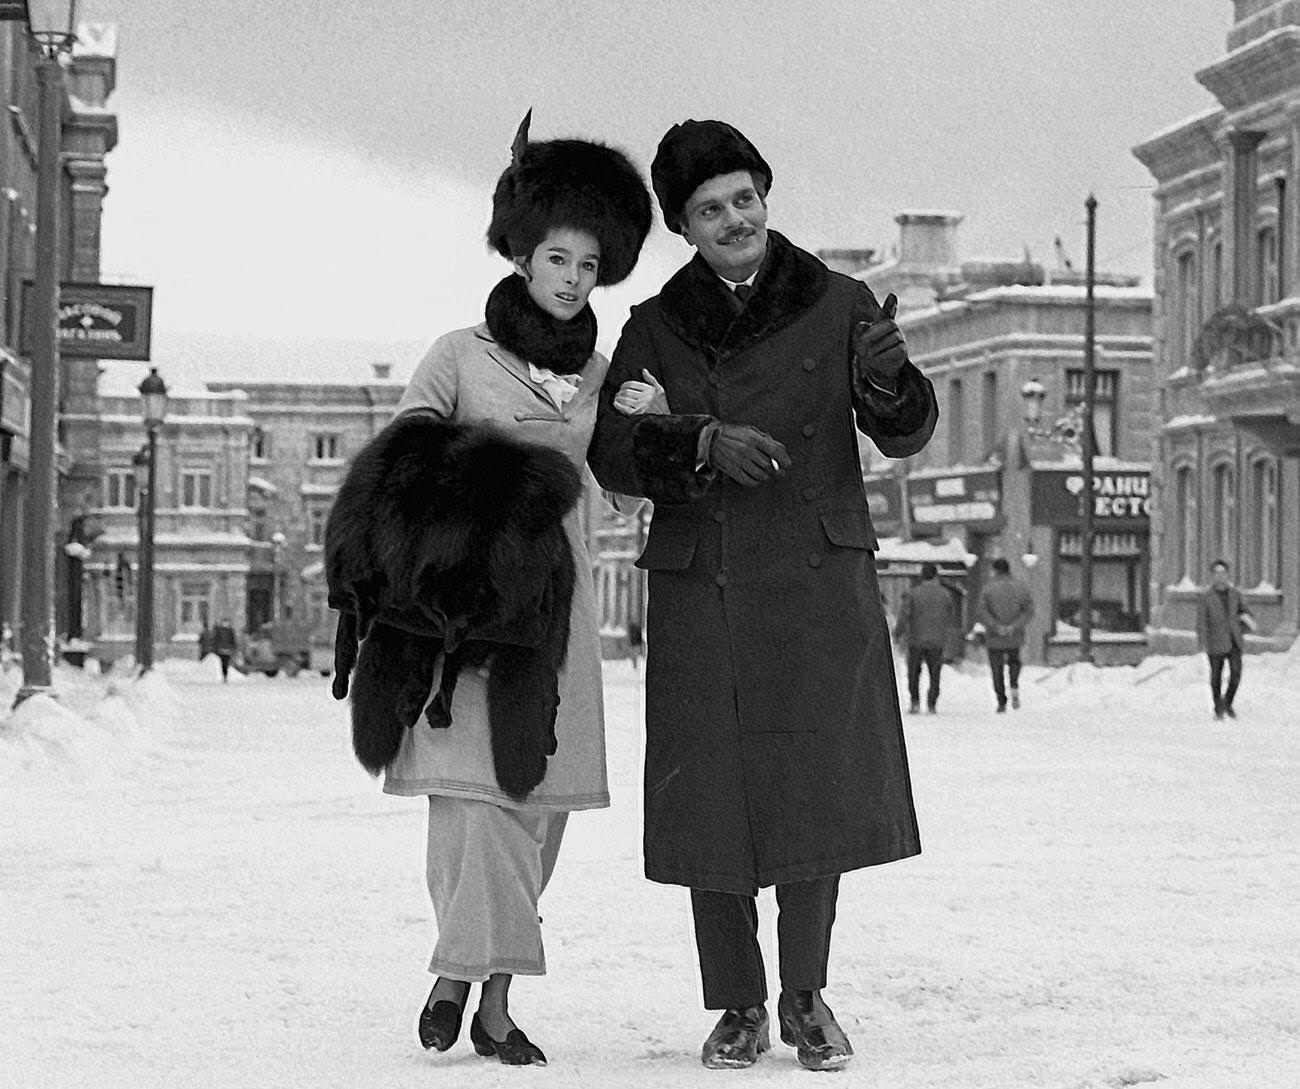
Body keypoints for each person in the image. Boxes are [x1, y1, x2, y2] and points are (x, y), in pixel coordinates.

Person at [588, 119, 937, 1072]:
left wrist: (892, 380)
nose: (734, 219)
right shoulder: (656, 327)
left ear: (765, 196)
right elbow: (612, 447)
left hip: (816, 583)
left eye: (745, 198)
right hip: (706, 585)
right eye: (710, 209)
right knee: (713, 796)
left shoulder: (839, 301)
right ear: (685, 227)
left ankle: (808, 996)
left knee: (811, 791)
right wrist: (700, 441)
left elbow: (903, 432)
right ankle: (737, 1004)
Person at [327, 114, 652, 1067]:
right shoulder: (459, 354)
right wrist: (494, 489)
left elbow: (624, 491)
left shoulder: (600, 375)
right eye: (557, 258)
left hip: (560, 624)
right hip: (463, 620)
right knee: (475, 807)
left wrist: (648, 426)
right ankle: (476, 992)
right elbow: (401, 460)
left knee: (539, 812)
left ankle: (477, 980)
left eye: (589, 267)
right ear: (521, 255)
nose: (571, 280)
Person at [1196, 558, 1256, 720]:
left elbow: (1245, 613)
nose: (1220, 577)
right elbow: (1201, 621)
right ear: (1213, 576)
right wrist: (1202, 642)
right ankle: (1218, 706)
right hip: (1215, 642)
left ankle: (1227, 702)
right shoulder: (1206, 597)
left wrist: (1243, 628)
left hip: (1234, 641)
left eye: (1223, 573)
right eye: (1217, 573)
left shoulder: (1235, 594)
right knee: (1216, 676)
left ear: (1227, 575)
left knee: (1236, 674)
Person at [895, 563, 954, 714]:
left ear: (922, 576)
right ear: (936, 576)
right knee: (934, 673)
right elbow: (950, 615)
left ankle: (915, 702)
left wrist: (898, 633)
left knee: (914, 672)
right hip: (937, 640)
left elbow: (904, 616)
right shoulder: (945, 594)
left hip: (916, 639)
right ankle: (932, 702)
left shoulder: (912, 594)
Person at [976, 557, 1033, 712]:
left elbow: (982, 611)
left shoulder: (988, 589)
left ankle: (1001, 700)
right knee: (1014, 661)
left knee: (997, 668)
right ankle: (1014, 684)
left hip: (995, 636)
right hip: (1014, 635)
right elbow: (1028, 610)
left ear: (995, 570)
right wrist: (1013, 626)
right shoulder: (1021, 588)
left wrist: (996, 625)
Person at [210, 617, 238, 682]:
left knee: (225, 663)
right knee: (224, 663)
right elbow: (216, 639)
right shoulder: (222, 630)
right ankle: (225, 675)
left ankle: (225, 675)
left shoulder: (228, 630)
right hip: (223, 649)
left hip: (225, 649)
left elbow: (232, 639)